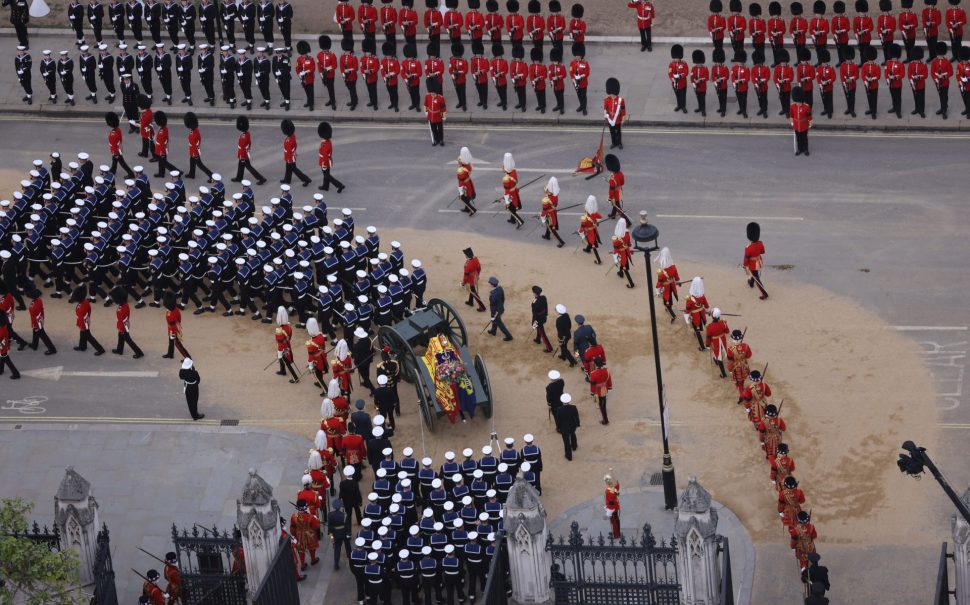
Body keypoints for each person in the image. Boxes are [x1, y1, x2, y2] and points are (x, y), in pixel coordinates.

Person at [110, 286, 144, 358]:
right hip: (121, 325)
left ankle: (139, 353)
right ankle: (119, 350)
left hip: (123, 327)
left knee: (128, 340)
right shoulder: (122, 305)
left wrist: (121, 329)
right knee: (120, 337)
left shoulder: (123, 308)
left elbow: (123, 320)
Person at [71, 285, 105, 355]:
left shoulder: (83, 306)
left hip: (84, 323)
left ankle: (100, 349)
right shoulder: (84, 301)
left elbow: (83, 318)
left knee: (89, 337)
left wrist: (83, 327)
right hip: (83, 321)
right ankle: (82, 346)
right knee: (82, 335)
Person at [290, 499, 321, 569]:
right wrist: (317, 519)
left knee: (301, 549)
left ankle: (302, 564)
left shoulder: (293, 516)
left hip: (299, 534)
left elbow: (292, 528)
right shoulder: (310, 517)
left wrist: (294, 535)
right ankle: (313, 559)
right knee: (312, 547)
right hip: (310, 534)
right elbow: (316, 526)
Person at [280, 119, 312, 186]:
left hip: (290, 158)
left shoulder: (290, 140)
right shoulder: (291, 136)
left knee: (295, 170)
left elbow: (289, 151)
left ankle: (306, 180)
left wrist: (288, 159)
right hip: (290, 156)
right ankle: (287, 180)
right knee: (288, 168)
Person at [183, 112, 213, 181]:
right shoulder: (194, 130)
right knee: (191, 161)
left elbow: (195, 145)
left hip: (195, 151)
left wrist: (194, 154)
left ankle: (211, 176)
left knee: (200, 165)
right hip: (192, 151)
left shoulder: (195, 133)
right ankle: (191, 174)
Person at [27, 288, 56, 355]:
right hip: (39, 319)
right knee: (35, 332)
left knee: (43, 336)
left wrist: (35, 325)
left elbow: (34, 317)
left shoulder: (34, 305)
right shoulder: (39, 300)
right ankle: (34, 345)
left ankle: (52, 349)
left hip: (37, 322)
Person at [654, 247, 680, 322]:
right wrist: (678, 281)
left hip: (666, 288)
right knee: (670, 297)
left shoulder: (662, 272)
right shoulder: (673, 267)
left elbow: (659, 283)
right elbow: (677, 277)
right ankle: (668, 306)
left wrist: (658, 291)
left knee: (667, 300)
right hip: (672, 286)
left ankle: (673, 315)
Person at [744, 221, 768, 298]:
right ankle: (751, 282)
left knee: (756, 278)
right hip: (759, 261)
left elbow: (746, 259)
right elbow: (763, 252)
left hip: (752, 264)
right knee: (755, 274)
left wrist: (745, 266)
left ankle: (764, 294)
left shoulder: (748, 248)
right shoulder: (761, 243)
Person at [484, 276, 513, 341]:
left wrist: (494, 313)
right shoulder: (500, 288)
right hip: (500, 308)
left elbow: (492, 303)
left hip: (495, 311)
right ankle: (493, 331)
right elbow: (503, 299)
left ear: (492, 285)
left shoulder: (493, 293)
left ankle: (509, 336)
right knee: (494, 320)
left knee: (499, 323)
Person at [725, 329, 752, 396]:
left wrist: (730, 370)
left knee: (739, 382)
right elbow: (749, 355)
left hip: (736, 367)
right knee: (743, 379)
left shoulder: (730, 349)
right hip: (744, 365)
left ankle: (742, 395)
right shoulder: (745, 346)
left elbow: (730, 362)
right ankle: (742, 387)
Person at [705, 308, 730, 378]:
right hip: (723, 340)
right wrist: (726, 323)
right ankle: (716, 359)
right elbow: (727, 331)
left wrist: (707, 344)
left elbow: (708, 337)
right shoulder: (723, 323)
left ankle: (723, 374)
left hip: (715, 342)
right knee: (721, 351)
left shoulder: (709, 326)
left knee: (718, 356)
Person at [501, 152, 524, 227]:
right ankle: (512, 219)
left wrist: (505, 197)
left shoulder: (506, 178)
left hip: (510, 193)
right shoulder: (514, 172)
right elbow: (516, 181)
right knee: (513, 206)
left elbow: (506, 189)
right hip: (514, 191)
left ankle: (519, 221)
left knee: (510, 208)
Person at [611, 218, 635, 289]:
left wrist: (615, 258)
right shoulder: (627, 233)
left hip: (621, 253)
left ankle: (631, 283)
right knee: (624, 264)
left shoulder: (616, 238)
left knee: (624, 266)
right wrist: (630, 249)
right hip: (626, 251)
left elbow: (615, 249)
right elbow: (629, 244)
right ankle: (620, 273)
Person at [603, 77, 626, 149]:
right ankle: (614, 143)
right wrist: (606, 115)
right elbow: (605, 108)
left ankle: (619, 143)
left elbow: (623, 110)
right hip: (610, 119)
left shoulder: (620, 100)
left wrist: (623, 118)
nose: (611, 95)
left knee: (618, 133)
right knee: (612, 132)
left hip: (617, 120)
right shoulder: (606, 100)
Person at [579, 195, 602, 264]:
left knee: (593, 244)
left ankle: (598, 260)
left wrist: (581, 233)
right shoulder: (595, 214)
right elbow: (600, 218)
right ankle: (588, 249)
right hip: (594, 230)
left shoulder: (585, 217)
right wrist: (596, 223)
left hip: (589, 232)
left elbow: (582, 227)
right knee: (591, 242)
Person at [555, 393, 580, 459]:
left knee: (566, 441)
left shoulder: (559, 409)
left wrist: (558, 427)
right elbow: (576, 417)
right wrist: (578, 424)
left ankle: (569, 456)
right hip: (572, 425)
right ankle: (574, 446)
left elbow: (558, 420)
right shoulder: (573, 407)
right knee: (573, 434)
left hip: (564, 427)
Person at [424, 77, 447, 146]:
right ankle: (436, 140)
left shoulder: (440, 98)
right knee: (433, 130)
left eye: (434, 92)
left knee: (440, 130)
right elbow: (425, 105)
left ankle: (441, 140)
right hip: (431, 116)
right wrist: (426, 112)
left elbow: (443, 107)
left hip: (438, 116)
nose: (433, 94)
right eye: (432, 92)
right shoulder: (427, 96)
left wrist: (443, 116)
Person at [588, 357, 612, 424]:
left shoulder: (593, 373)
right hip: (604, 389)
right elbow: (609, 380)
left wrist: (592, 392)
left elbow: (592, 385)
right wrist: (609, 387)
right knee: (603, 401)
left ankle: (605, 420)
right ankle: (602, 408)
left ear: (595, 364)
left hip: (597, 390)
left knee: (601, 405)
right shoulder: (606, 370)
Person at [790, 87, 812, 156]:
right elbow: (791, 115)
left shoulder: (806, 107)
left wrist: (810, 122)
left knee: (804, 139)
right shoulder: (792, 106)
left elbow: (809, 116)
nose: (797, 103)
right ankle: (800, 149)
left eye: (798, 101)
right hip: (796, 125)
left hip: (804, 125)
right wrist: (792, 122)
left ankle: (805, 149)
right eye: (796, 101)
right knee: (799, 139)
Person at [530, 286, 553, 352]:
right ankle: (538, 339)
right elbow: (546, 307)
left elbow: (534, 315)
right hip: (543, 317)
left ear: (535, 293)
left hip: (538, 319)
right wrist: (546, 314)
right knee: (539, 329)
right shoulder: (543, 297)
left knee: (543, 333)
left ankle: (549, 348)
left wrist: (533, 323)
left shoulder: (534, 303)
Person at [455, 146, 477, 215]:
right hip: (468, 182)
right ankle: (466, 208)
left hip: (464, 183)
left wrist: (459, 165)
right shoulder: (468, 164)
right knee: (467, 195)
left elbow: (460, 176)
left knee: (463, 197)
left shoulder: (463, 166)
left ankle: (472, 209)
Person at [0, 312, 20, 380]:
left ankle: (16, 373)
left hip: (2, 347)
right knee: (2, 358)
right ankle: (1, 370)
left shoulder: (1, 331)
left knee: (7, 361)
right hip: (4, 346)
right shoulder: (4, 326)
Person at [603, 469, 620, 538]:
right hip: (615, 507)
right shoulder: (614, 488)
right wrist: (612, 472)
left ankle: (615, 535)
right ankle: (616, 533)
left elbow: (610, 503)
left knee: (614, 522)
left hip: (612, 509)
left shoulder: (610, 491)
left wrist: (608, 511)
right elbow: (616, 482)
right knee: (616, 521)